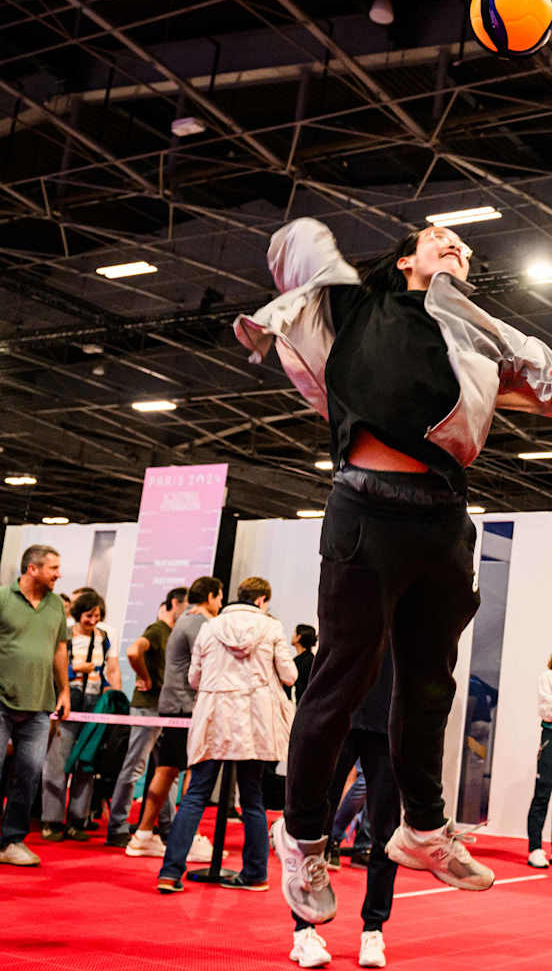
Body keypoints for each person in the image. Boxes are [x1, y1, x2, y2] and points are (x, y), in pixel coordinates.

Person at [234, 216, 552, 921]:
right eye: (441, 237)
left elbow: (537, 386)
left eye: (464, 245)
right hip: (365, 507)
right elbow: (298, 242)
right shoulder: (356, 304)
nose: (459, 246)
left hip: (443, 515)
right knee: (341, 682)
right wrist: (319, 265)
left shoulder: (474, 334)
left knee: (431, 685)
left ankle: (425, 831)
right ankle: (305, 837)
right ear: (407, 258)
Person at [157, 577, 296, 894]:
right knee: (252, 799)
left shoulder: (210, 627)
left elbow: (194, 678)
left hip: (214, 718)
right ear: (261, 600)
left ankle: (170, 872)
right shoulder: (271, 628)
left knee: (194, 797)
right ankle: (255, 874)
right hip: (253, 722)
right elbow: (290, 674)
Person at [0, 544, 70, 870]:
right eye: (53, 568)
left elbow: (59, 649)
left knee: (29, 774)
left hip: (39, 706)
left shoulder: (55, 605)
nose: (58, 574)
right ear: (32, 568)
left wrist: (63, 690)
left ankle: (12, 841)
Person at [291, 649, 399, 969]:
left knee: (386, 834)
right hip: (336, 718)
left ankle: (374, 929)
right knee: (315, 828)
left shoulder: (411, 610)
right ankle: (303, 928)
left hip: (387, 723)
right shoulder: (350, 601)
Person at [125, 576, 223, 861]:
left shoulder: (191, 620)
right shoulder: (198, 623)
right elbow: (208, 660)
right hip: (185, 707)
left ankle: (145, 834)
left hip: (178, 705)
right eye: (219, 598)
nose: (221, 604)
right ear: (212, 596)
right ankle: (184, 838)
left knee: (168, 770)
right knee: (184, 772)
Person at [106, 587, 188, 847]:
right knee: (135, 768)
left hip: (164, 710)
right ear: (175, 604)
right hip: (148, 708)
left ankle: (166, 826)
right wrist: (145, 677)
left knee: (167, 770)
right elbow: (133, 652)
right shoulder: (156, 630)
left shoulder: (172, 633)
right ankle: (117, 826)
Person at [41, 589, 121, 841]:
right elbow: (50, 665)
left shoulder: (105, 637)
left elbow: (112, 667)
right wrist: (74, 670)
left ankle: (78, 818)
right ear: (78, 614)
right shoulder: (64, 633)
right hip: (68, 698)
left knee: (87, 761)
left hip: (95, 701)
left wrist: (114, 698)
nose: (93, 621)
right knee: (57, 760)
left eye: (97, 615)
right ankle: (51, 821)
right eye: (88, 615)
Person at [527, 654, 552, 867]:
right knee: (542, 791)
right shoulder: (547, 676)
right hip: (550, 738)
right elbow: (547, 710)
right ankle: (535, 848)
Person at [291, 624, 317, 704]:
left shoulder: (300, 661)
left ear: (299, 637)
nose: (292, 636)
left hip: (303, 706)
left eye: (294, 633)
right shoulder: (312, 659)